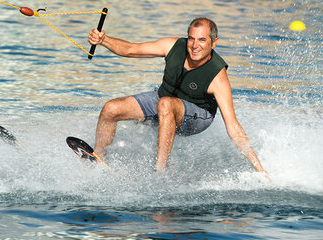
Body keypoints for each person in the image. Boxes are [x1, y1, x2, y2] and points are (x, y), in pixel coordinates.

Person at [88, 17, 270, 180]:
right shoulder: (172, 46)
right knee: (111, 108)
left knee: (166, 104)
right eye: (191, 39)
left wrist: (259, 169)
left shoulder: (218, 76)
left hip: (197, 116)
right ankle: (98, 160)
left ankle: (159, 173)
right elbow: (130, 49)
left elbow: (233, 127)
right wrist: (103, 40)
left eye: (202, 40)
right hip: (163, 100)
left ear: (214, 43)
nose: (195, 45)